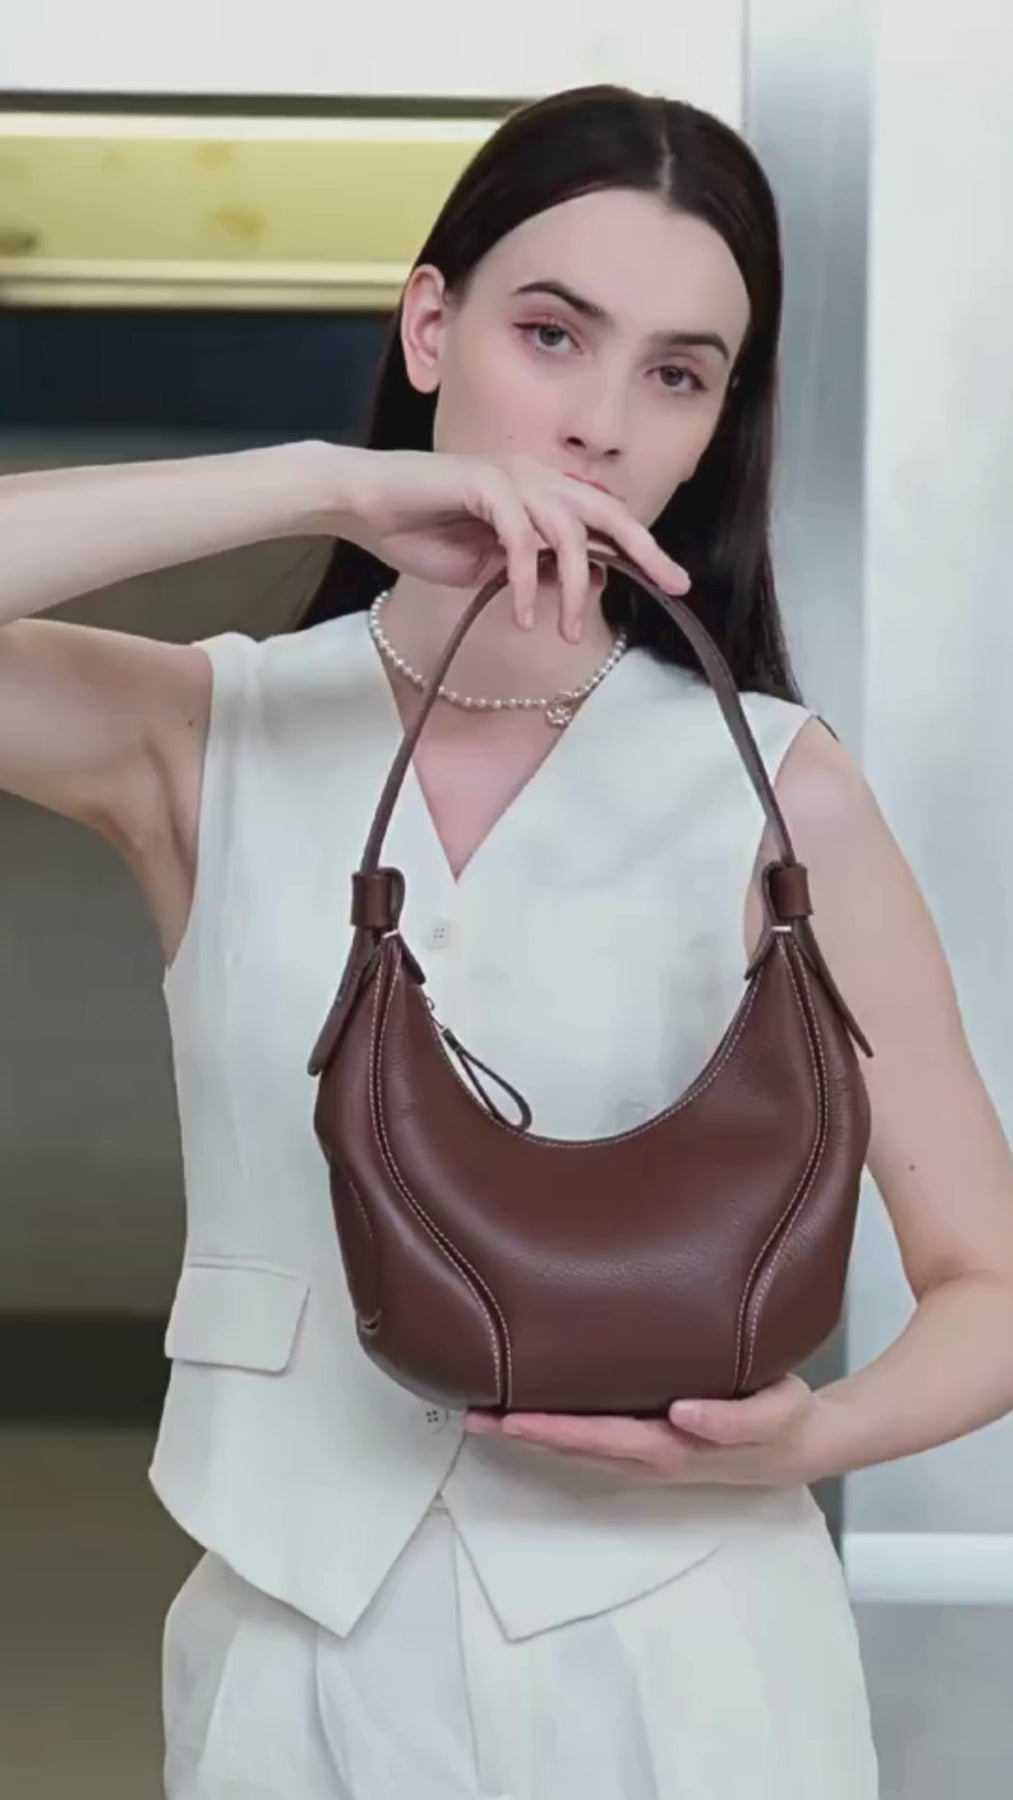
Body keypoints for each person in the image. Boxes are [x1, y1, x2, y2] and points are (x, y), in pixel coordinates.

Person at [3, 83, 1013, 1800]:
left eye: (677, 374)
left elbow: (985, 1281)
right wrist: (324, 485)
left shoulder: (780, 791)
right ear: (429, 327)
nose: (600, 422)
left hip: (691, 1665)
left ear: (711, 430)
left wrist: (807, 1438)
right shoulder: (206, 735)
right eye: (551, 334)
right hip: (288, 1664)